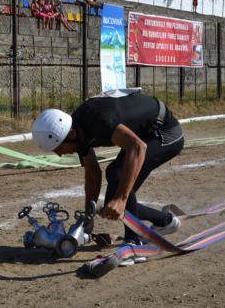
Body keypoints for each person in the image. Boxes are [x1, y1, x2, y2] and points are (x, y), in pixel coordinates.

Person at [32, 90, 184, 264]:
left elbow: (137, 147)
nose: (59, 155)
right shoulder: (76, 132)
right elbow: (92, 174)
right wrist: (89, 217)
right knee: (113, 196)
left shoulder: (98, 121)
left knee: (117, 176)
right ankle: (165, 221)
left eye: (59, 149)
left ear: (71, 134)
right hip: (142, 133)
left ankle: (134, 244)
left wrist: (121, 198)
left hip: (166, 132)